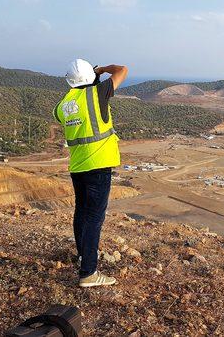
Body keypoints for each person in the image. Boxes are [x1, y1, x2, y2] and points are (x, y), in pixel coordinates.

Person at [53, 59, 128, 287]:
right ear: (91, 77)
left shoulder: (62, 105)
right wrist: (102, 70)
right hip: (99, 165)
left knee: (82, 213)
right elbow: (122, 70)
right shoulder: (98, 93)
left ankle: (83, 255)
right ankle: (88, 273)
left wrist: (89, 78)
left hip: (78, 167)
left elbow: (67, 112)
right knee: (95, 217)